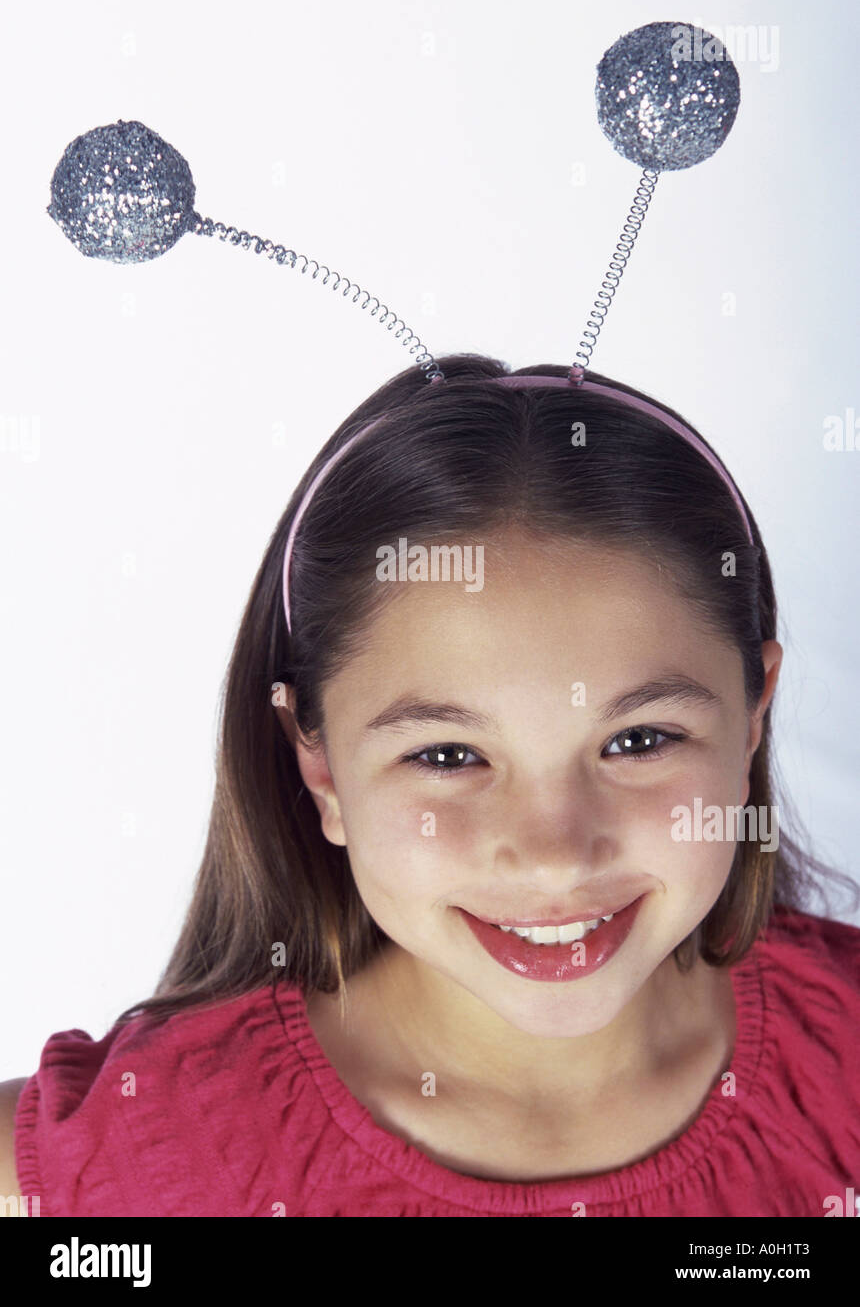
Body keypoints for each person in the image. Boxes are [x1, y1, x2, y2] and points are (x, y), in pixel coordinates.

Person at [3, 354, 859, 1216]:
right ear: (322, 768)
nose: (555, 857)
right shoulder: (132, 1165)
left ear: (751, 721)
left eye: (638, 740)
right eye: (448, 756)